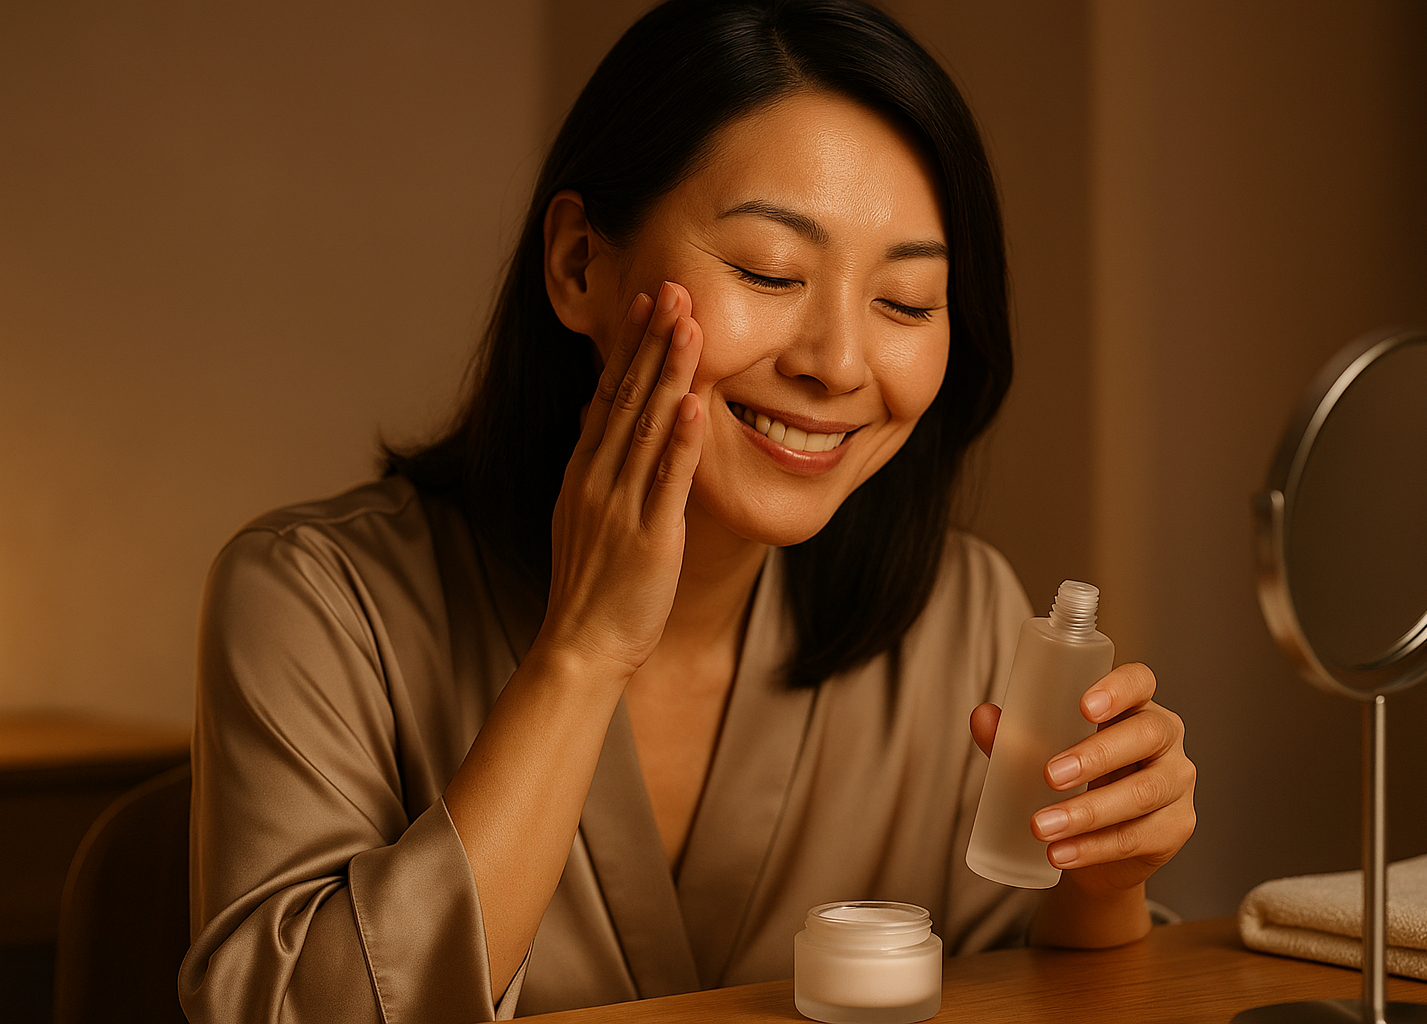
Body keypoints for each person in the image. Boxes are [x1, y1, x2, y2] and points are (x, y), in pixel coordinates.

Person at [179, 1, 1197, 1020]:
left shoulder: (958, 614)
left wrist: (1101, 883)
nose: (837, 362)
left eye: (905, 303)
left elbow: (1026, 994)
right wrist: (581, 655)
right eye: (769, 271)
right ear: (581, 262)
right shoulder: (313, 599)